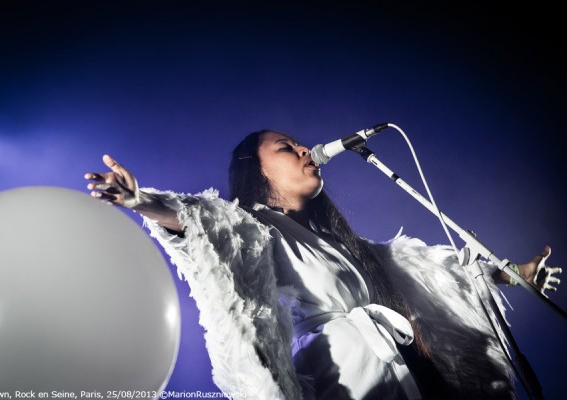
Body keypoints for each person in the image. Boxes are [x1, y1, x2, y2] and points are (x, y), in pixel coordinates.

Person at [85, 130, 561, 399]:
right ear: (258, 169)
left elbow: (425, 270)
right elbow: (202, 221)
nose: (304, 150)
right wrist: (140, 199)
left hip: (407, 378)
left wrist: (512, 273)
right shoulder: (251, 226)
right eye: (286, 148)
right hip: (345, 384)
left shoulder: (341, 243)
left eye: (299, 143)